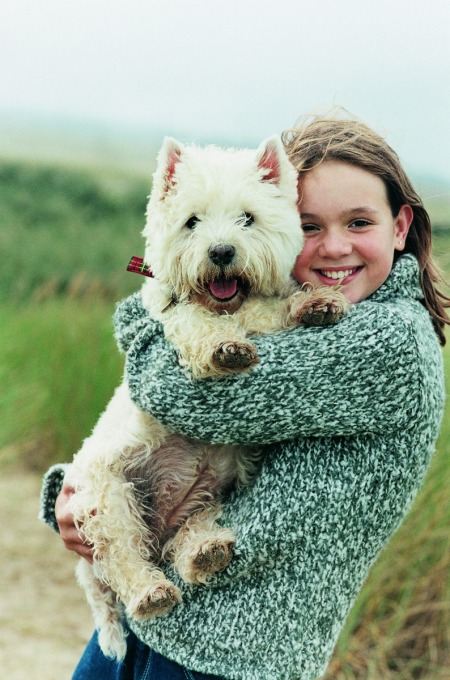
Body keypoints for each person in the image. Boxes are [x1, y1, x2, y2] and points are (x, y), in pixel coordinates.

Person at [40, 113, 449, 680]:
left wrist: (147, 311)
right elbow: (163, 433)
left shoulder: (388, 341)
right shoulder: (310, 316)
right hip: (158, 621)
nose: (333, 247)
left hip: (231, 657)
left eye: (359, 222)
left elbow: (187, 397)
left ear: (401, 226)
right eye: (308, 226)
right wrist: (74, 494)